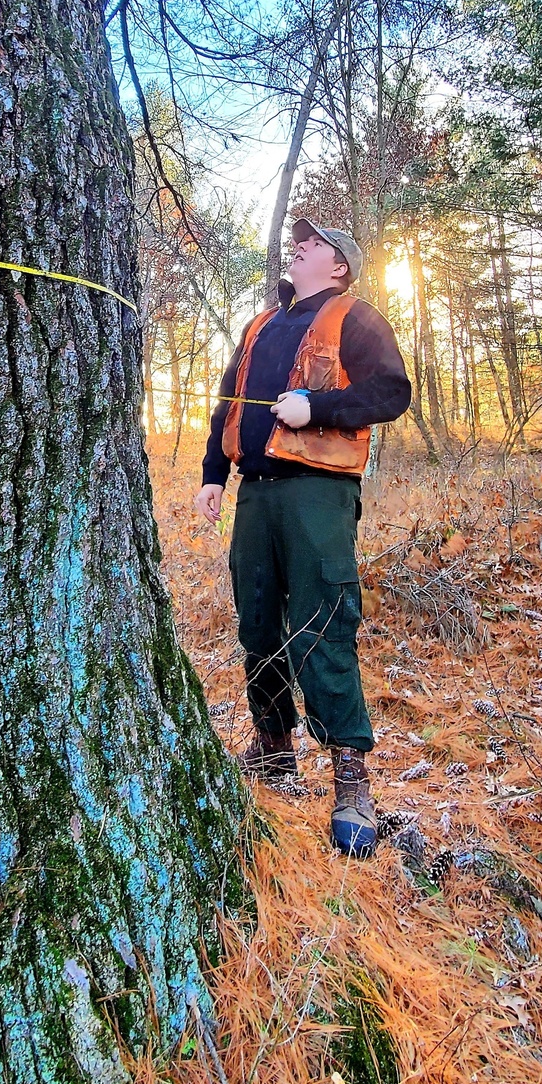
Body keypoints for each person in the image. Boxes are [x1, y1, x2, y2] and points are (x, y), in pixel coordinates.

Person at [195, 218, 412, 856]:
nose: (300, 245)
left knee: (322, 623)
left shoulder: (355, 317)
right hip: (255, 495)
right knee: (257, 623)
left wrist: (317, 408)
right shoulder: (261, 324)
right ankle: (273, 746)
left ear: (340, 264)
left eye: (314, 242)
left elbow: (390, 391)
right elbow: (227, 400)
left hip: (318, 494)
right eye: (299, 240)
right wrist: (214, 474)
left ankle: (351, 777)